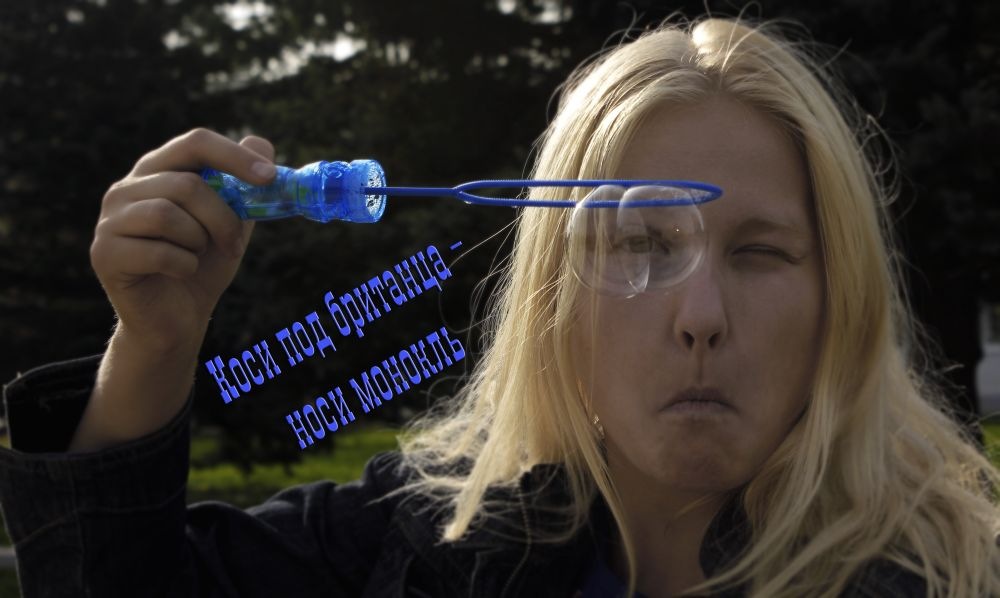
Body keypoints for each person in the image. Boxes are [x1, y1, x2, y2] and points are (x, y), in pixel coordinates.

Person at [1, 15, 998, 598]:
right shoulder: (424, 544)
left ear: (840, 301)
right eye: (641, 244)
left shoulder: (955, 576)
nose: (699, 314)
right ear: (555, 300)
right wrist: (154, 343)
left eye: (760, 252)